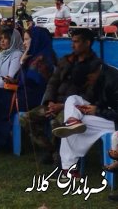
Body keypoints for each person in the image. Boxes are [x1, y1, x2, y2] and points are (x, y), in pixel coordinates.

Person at [19, 28, 102, 164]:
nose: (72, 45)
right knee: (26, 119)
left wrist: (63, 105)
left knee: (56, 123)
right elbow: (52, 82)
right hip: (55, 103)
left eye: (76, 42)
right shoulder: (66, 61)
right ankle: (51, 150)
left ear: (87, 43)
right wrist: (50, 101)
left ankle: (62, 158)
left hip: (75, 108)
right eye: (72, 41)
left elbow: (90, 94)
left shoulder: (95, 66)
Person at [52, 64, 118, 179]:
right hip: (106, 114)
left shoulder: (116, 79)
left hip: (115, 122)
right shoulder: (100, 76)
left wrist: (97, 110)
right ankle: (72, 121)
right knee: (72, 99)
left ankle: (69, 169)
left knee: (77, 126)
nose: (87, 82)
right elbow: (100, 100)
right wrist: (89, 108)